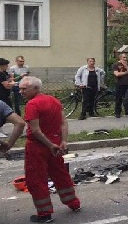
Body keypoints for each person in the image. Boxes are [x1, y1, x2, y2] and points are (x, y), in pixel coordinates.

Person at [20, 76, 81, 223]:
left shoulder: (32, 104)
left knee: (36, 179)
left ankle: (44, 213)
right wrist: (63, 141)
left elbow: (35, 131)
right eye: (20, 88)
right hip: (54, 144)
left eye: (24, 89)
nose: (21, 91)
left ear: (35, 89)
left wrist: (50, 145)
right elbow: (63, 123)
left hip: (38, 146)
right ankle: (73, 203)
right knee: (60, 175)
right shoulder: (54, 100)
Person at [112, 53, 128, 118]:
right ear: (120, 58)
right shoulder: (115, 65)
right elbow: (117, 74)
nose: (125, 59)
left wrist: (126, 66)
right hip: (120, 84)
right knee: (118, 99)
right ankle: (117, 113)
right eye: (124, 57)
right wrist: (125, 72)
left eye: (126, 57)